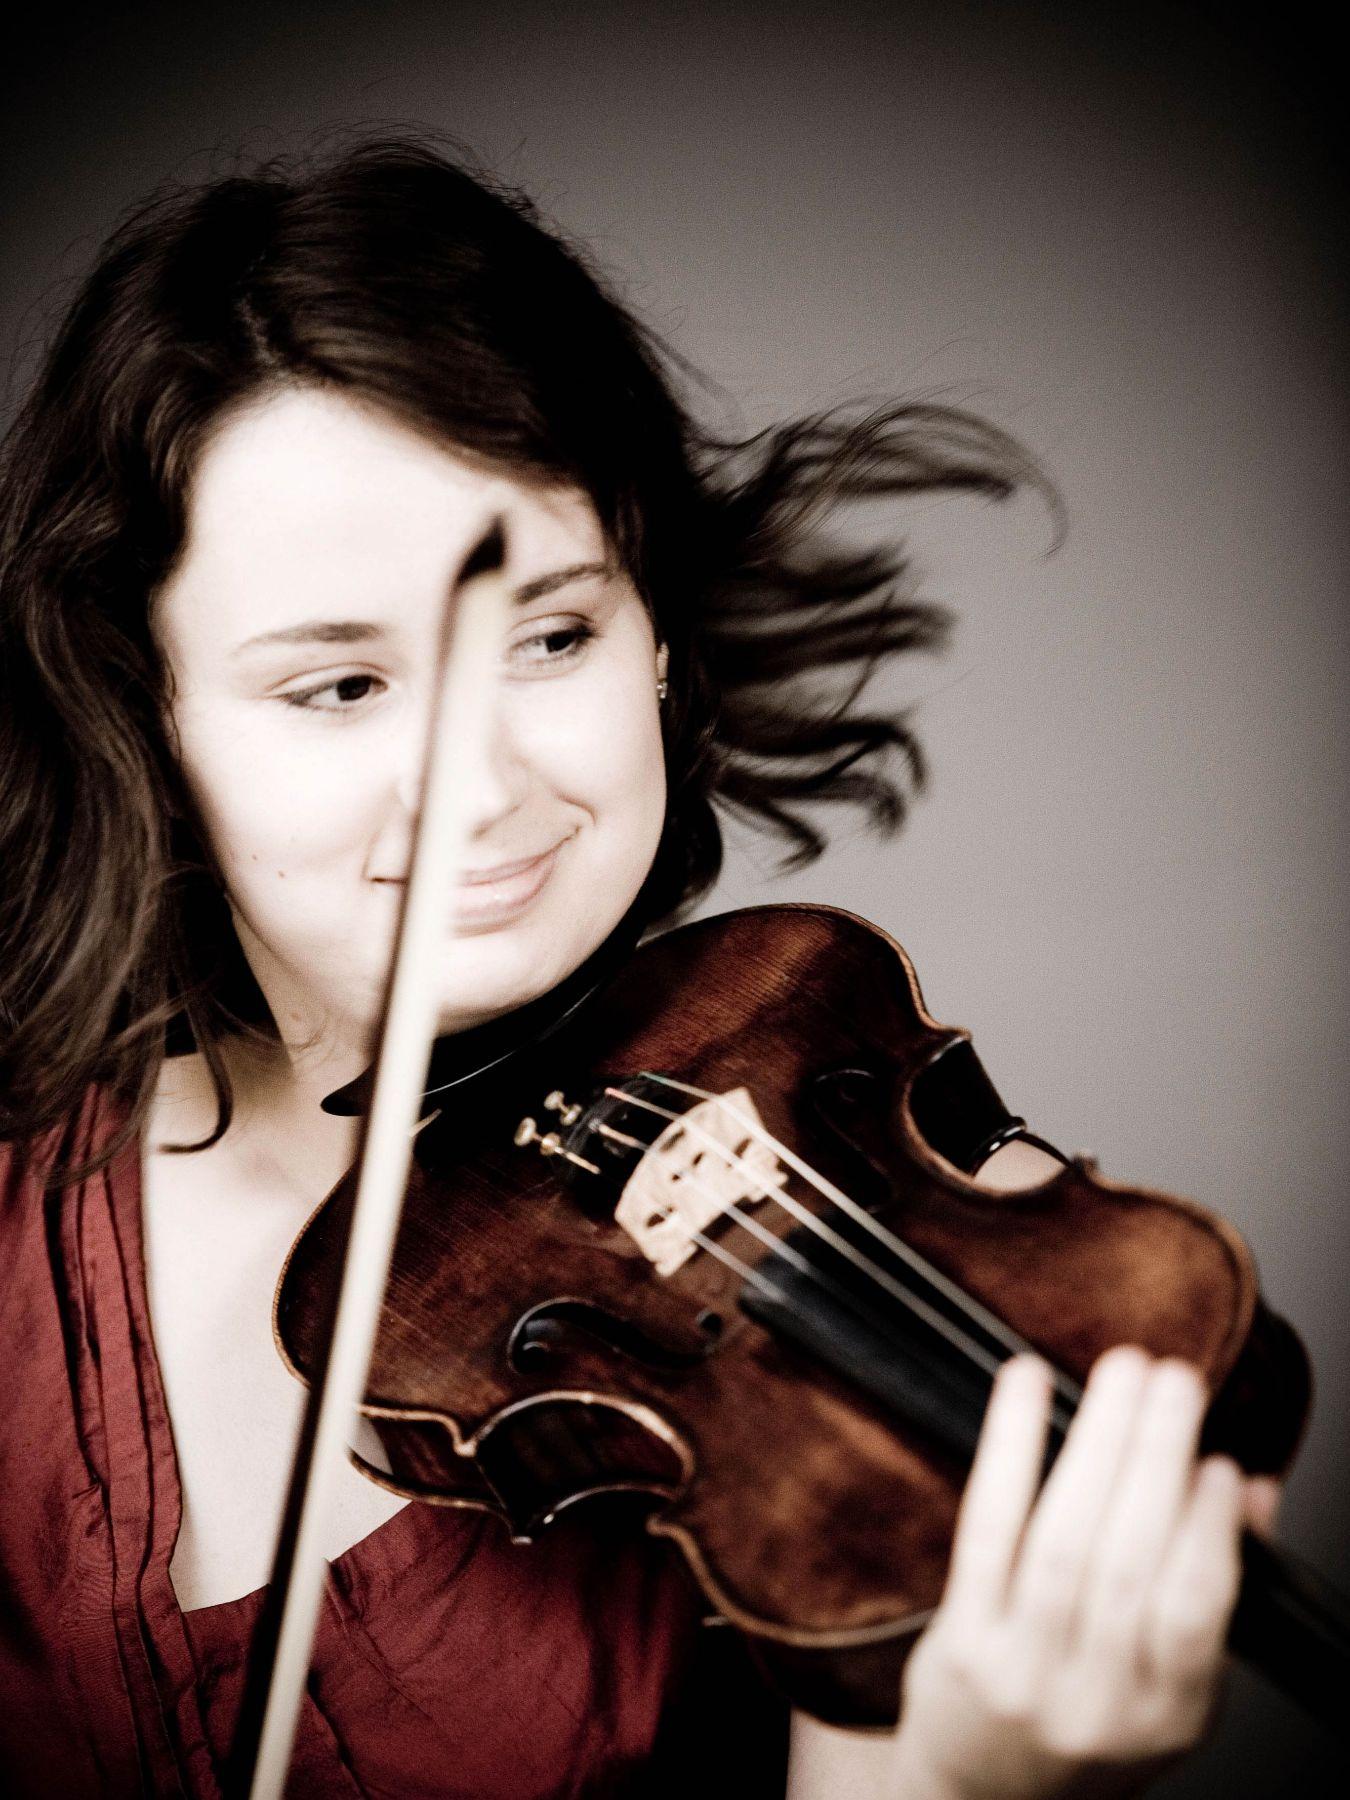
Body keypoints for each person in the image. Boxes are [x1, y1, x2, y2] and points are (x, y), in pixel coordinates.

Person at [0, 133, 1282, 1799]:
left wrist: (956, 1778)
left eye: (550, 636)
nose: (480, 782)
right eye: (337, 686)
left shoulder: (938, 1263)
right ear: (143, 716)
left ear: (653, 631)